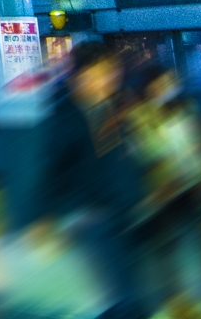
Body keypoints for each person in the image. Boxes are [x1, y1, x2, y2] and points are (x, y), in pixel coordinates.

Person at [125, 64, 201, 317]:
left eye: (171, 82)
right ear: (148, 88)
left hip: (197, 182)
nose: (168, 88)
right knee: (167, 247)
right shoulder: (138, 115)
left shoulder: (185, 107)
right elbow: (143, 151)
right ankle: (177, 301)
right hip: (163, 189)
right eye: (161, 84)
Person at [38, 42, 151, 319]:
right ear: (80, 77)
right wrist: (47, 216)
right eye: (100, 73)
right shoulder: (66, 116)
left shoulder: (112, 105)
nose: (109, 79)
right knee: (127, 292)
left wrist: (140, 191)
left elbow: (124, 155)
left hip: (125, 207)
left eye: (111, 72)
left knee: (129, 289)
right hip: (95, 214)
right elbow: (54, 166)